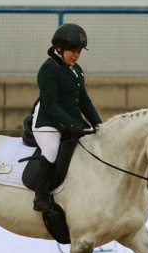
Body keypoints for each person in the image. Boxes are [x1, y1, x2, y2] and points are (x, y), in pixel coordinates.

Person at [30, 23, 102, 212]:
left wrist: (99, 124)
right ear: (59, 48)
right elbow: (50, 104)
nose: (76, 55)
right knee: (52, 148)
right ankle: (41, 193)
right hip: (47, 120)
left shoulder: (76, 70)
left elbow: (84, 100)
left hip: (69, 120)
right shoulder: (48, 69)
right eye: (73, 51)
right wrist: (69, 124)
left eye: (79, 51)